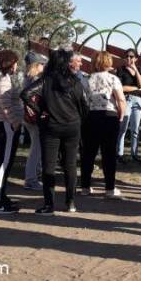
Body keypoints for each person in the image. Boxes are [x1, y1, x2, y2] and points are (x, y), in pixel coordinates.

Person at [21, 49, 88, 215]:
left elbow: (26, 94)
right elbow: (84, 105)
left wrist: (41, 111)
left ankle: (49, 205)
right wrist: (78, 120)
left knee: (49, 166)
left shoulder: (46, 80)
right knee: (70, 165)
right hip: (72, 126)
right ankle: (70, 202)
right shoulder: (76, 81)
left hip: (50, 126)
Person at [81, 51, 126, 199]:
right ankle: (109, 188)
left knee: (88, 152)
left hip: (90, 117)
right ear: (108, 62)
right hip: (109, 115)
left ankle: (85, 186)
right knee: (109, 153)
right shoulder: (113, 78)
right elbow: (120, 99)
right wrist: (121, 114)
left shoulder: (85, 79)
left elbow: (82, 100)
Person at [0, 50, 23, 214]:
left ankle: (1, 196)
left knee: (4, 162)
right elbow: (5, 104)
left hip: (2, 124)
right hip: (4, 125)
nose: (16, 65)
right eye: (15, 62)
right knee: (3, 163)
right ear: (8, 63)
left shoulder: (0, 77)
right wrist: (15, 123)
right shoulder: (3, 79)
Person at [22, 52, 48, 191]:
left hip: (28, 118)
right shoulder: (35, 79)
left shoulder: (27, 77)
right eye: (42, 64)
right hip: (34, 118)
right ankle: (31, 179)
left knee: (36, 148)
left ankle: (34, 176)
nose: (44, 66)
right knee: (36, 150)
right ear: (36, 65)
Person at [117, 49, 141, 163]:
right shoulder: (121, 70)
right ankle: (119, 154)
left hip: (137, 101)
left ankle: (135, 154)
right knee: (123, 128)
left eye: (131, 56)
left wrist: (136, 71)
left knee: (136, 129)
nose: (129, 58)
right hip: (126, 99)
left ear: (136, 58)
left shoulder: (140, 70)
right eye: (127, 56)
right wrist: (136, 88)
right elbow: (121, 88)